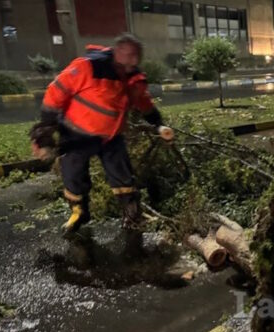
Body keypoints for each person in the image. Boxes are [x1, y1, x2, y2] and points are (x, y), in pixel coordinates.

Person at [29, 33, 173, 233]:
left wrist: (158, 125)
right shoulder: (87, 67)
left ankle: (132, 215)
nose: (133, 61)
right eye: (130, 55)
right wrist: (45, 132)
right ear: (117, 52)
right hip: (75, 135)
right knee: (74, 175)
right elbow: (56, 93)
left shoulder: (134, 79)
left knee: (123, 176)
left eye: (137, 56)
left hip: (111, 138)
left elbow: (144, 103)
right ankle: (79, 213)